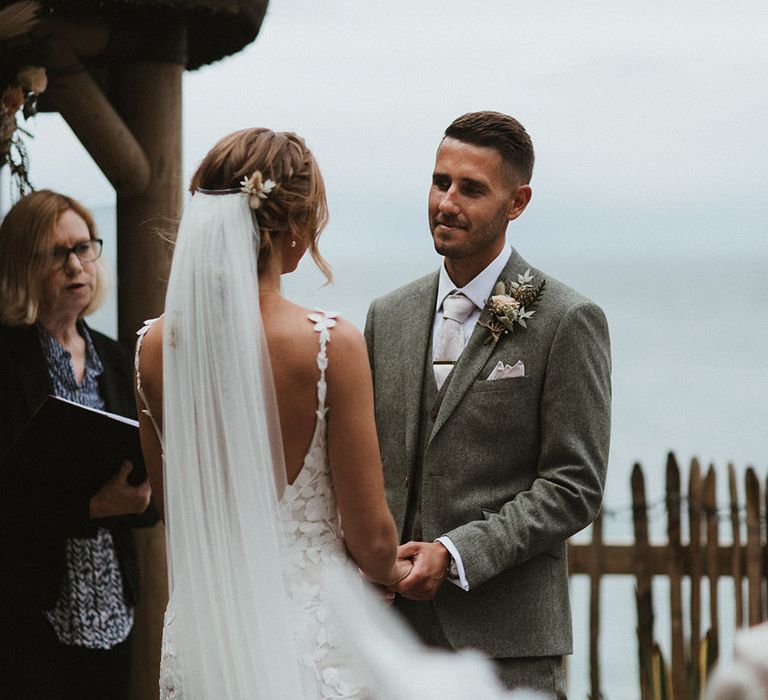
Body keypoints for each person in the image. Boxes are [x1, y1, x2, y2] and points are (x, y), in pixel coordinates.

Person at [133, 127, 413, 699]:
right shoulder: (330, 345)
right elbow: (371, 537)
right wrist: (391, 571)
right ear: (293, 226)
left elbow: (172, 504)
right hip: (308, 640)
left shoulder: (154, 348)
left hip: (204, 636)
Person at [365, 111, 612, 698]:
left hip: (509, 644)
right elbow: (366, 463)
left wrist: (454, 554)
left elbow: (575, 485)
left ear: (517, 201)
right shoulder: (387, 316)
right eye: (439, 181)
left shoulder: (567, 320)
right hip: (387, 637)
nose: (446, 202)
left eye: (471, 189)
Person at [0, 190, 155, 699]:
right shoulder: (6, 360)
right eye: (57, 252)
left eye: (85, 248)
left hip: (112, 605)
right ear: (22, 264)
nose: (76, 265)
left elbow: (141, 481)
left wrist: (142, 495)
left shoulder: (115, 357)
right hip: (27, 607)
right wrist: (89, 506)